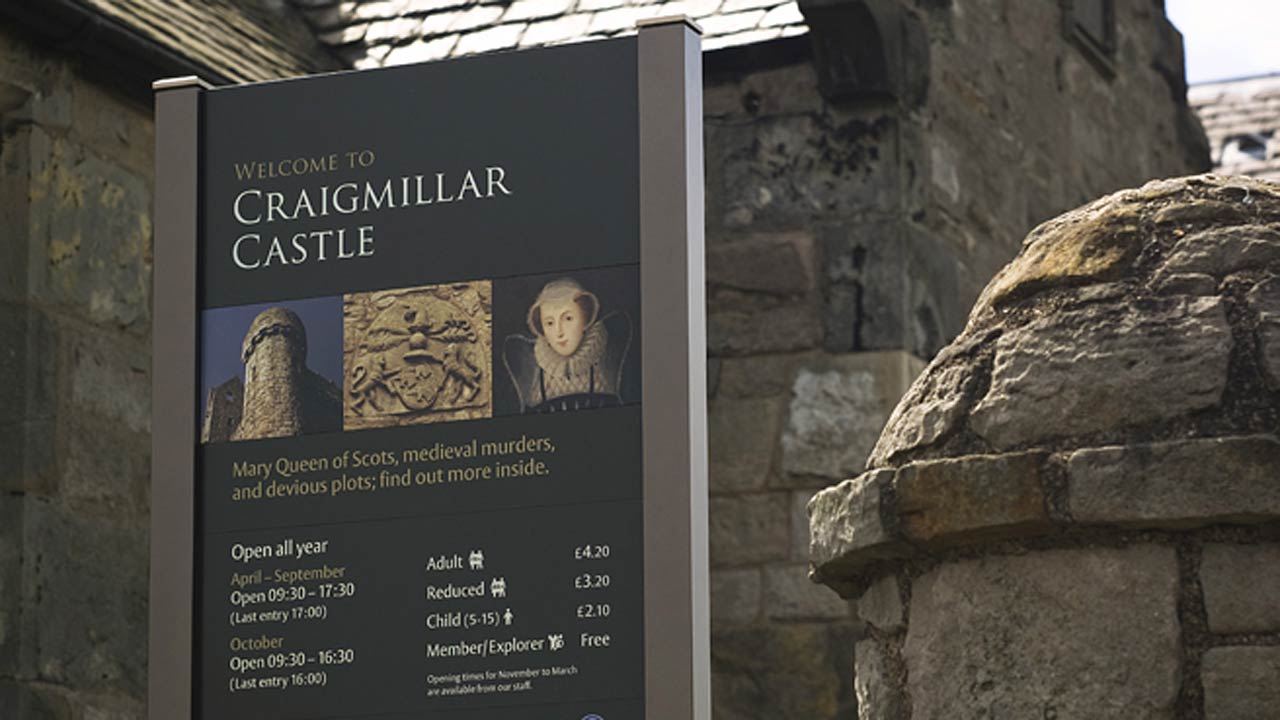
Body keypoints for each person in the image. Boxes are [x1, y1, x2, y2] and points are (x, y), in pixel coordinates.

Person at [503, 277, 632, 412]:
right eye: (550, 323)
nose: (559, 332)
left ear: (585, 319)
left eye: (568, 319)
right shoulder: (529, 366)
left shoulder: (609, 353)